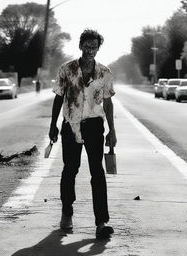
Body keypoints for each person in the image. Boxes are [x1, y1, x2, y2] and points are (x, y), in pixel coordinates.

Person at [49, 29, 117, 239]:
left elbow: (108, 102)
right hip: (71, 125)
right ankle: (67, 212)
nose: (89, 50)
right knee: (70, 169)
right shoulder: (67, 69)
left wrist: (112, 130)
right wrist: (53, 125)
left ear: (98, 48)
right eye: (86, 46)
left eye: (93, 47)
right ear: (80, 46)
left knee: (97, 171)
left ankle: (101, 222)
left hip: (95, 126)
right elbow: (59, 98)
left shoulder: (104, 73)